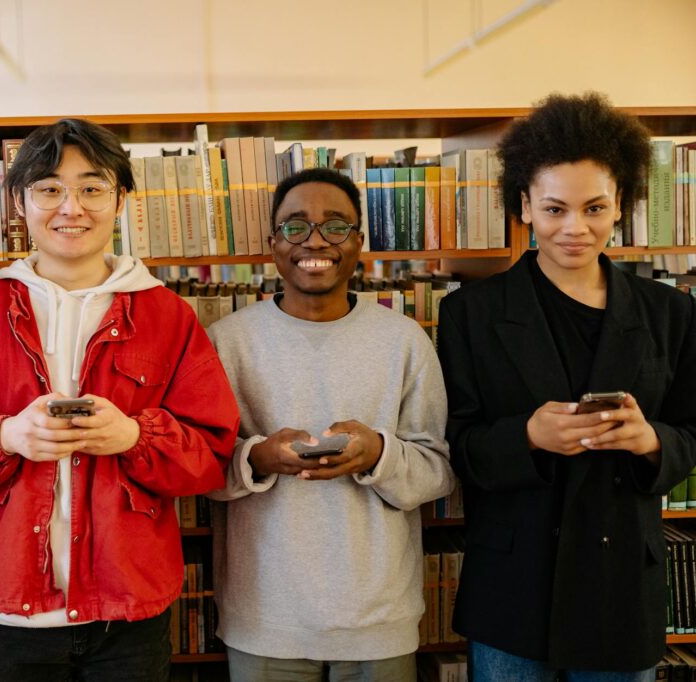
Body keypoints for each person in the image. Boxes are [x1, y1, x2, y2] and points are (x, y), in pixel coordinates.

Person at [0, 118, 239, 681]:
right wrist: (7, 435)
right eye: (50, 188)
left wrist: (133, 436)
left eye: (92, 187)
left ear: (121, 198)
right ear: (19, 200)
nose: (71, 207)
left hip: (127, 613)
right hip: (7, 611)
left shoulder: (169, 318)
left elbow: (212, 449)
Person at [436, 92, 696, 680]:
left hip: (621, 584)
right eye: (554, 209)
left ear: (621, 205)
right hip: (512, 584)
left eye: (595, 208)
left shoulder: (670, 314)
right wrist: (527, 436)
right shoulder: (470, 314)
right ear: (524, 205)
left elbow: (691, 434)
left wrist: (650, 439)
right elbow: (455, 445)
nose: (575, 229)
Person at [206, 167, 454, 682]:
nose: (314, 241)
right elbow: (198, 467)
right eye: (295, 227)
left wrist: (378, 454)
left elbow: (437, 470)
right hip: (265, 618)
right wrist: (259, 457)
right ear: (273, 243)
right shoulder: (226, 342)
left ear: (359, 242)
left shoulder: (405, 340)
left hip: (377, 618)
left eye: (335, 226)